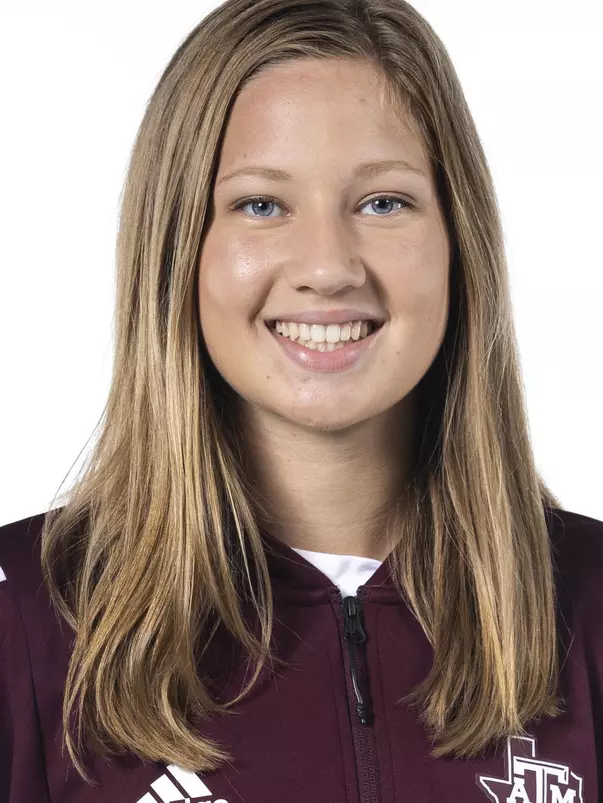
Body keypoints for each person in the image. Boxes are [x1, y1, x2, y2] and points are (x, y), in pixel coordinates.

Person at [1, 0, 602, 801]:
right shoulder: (24, 618)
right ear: (179, 248)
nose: (327, 266)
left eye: (383, 202)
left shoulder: (590, 599)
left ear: (459, 243)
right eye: (260, 204)